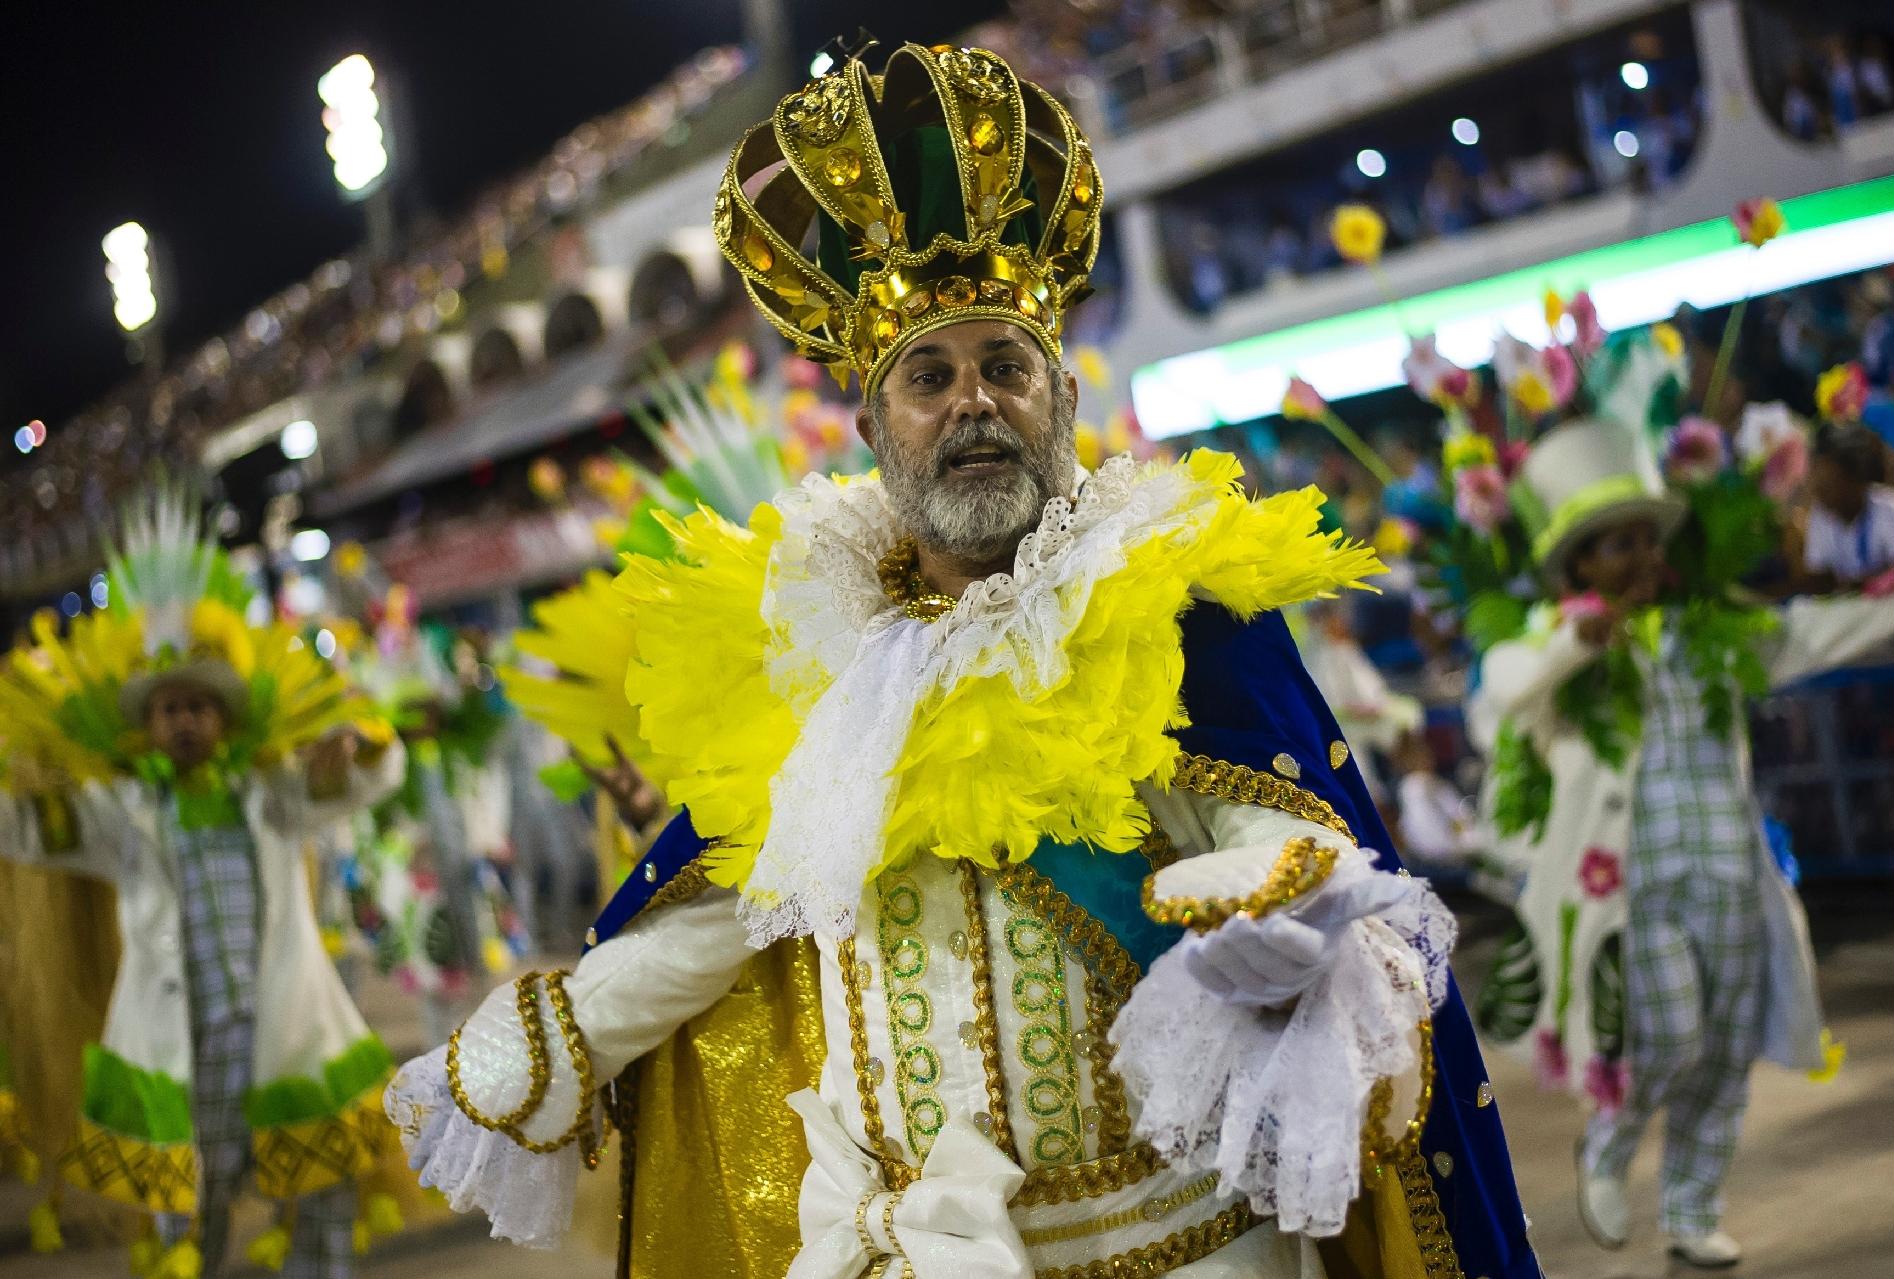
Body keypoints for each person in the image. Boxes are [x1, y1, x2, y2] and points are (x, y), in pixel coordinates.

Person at [387, 41, 1542, 1279]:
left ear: (1058, 397)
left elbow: (1262, 833)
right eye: (927, 377)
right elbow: (736, 909)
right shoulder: (813, 662)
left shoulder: (1166, 605)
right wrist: (567, 1033)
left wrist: (1294, 914)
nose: (972, 402)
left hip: (1186, 1249)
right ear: (877, 426)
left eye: (1005, 366)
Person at [1470, 419, 1894, 1268]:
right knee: (1670, 1039)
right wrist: (1575, 639)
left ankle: (1691, 1206)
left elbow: (1827, 628)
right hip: (1632, 891)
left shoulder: (1718, 634)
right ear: (1577, 569)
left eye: (1646, 538)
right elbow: (1501, 693)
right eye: (1613, 545)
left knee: (1724, 1052)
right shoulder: (1555, 648)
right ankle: (1608, 1142)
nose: (1638, 556)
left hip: (1730, 877)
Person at [0, 494, 405, 1279]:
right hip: (184, 1048)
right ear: (147, 726)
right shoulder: (123, 812)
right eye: (168, 709)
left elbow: (364, 783)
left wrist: (358, 752)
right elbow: (29, 832)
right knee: (193, 1207)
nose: (184, 720)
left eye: (197, 707)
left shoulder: (272, 794)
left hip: (284, 1030)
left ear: (223, 718)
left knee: (322, 1188)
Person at [1801, 422, 1894, 589]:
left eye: (1829, 485)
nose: (1820, 493)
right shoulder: (1820, 517)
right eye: (1818, 485)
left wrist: (1862, 585)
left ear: (1855, 478)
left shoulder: (1890, 508)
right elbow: (1821, 577)